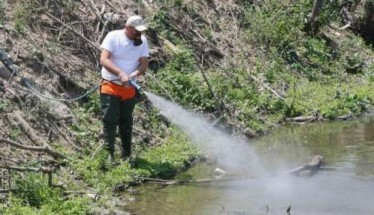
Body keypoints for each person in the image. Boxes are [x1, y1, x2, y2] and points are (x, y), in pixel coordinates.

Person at [99, 15, 149, 164]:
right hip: (110, 84)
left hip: (129, 88)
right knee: (110, 119)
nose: (139, 35)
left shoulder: (142, 41)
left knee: (126, 121)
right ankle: (109, 155)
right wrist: (120, 74)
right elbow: (104, 59)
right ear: (128, 28)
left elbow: (144, 64)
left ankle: (126, 155)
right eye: (136, 31)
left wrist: (135, 74)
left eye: (141, 32)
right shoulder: (113, 37)